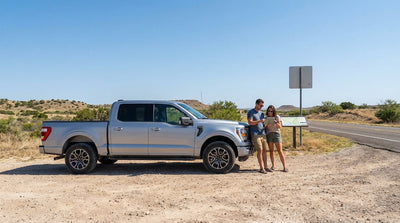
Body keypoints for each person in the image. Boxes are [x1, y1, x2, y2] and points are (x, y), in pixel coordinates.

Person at [247, 99, 272, 174]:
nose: (261, 107)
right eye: (260, 105)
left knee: (265, 150)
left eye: (262, 106)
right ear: (256, 104)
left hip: (263, 133)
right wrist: (260, 121)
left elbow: (263, 125)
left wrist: (267, 124)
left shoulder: (261, 113)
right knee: (260, 150)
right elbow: (250, 122)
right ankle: (261, 168)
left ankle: (266, 167)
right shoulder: (251, 112)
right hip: (255, 134)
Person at [265, 105, 288, 172]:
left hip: (276, 134)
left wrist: (275, 122)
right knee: (271, 151)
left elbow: (280, 126)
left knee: (280, 151)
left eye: (271, 111)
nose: (270, 112)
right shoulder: (266, 117)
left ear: (274, 111)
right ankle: (273, 166)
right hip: (269, 134)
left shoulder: (277, 117)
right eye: (269, 111)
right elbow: (264, 127)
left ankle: (284, 166)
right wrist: (267, 125)